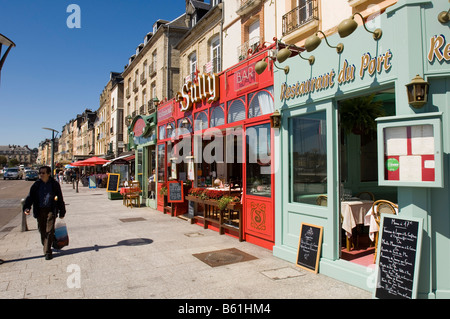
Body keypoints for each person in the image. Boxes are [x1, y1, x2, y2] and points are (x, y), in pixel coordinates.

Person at [23, 166, 66, 260]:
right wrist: (27, 207)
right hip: (39, 210)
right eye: (40, 173)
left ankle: (47, 252)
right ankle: (47, 244)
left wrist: (62, 211)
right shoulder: (36, 185)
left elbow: (60, 198)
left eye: (43, 173)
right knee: (42, 230)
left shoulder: (54, 184)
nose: (41, 175)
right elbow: (30, 197)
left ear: (48, 174)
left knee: (49, 230)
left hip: (51, 210)